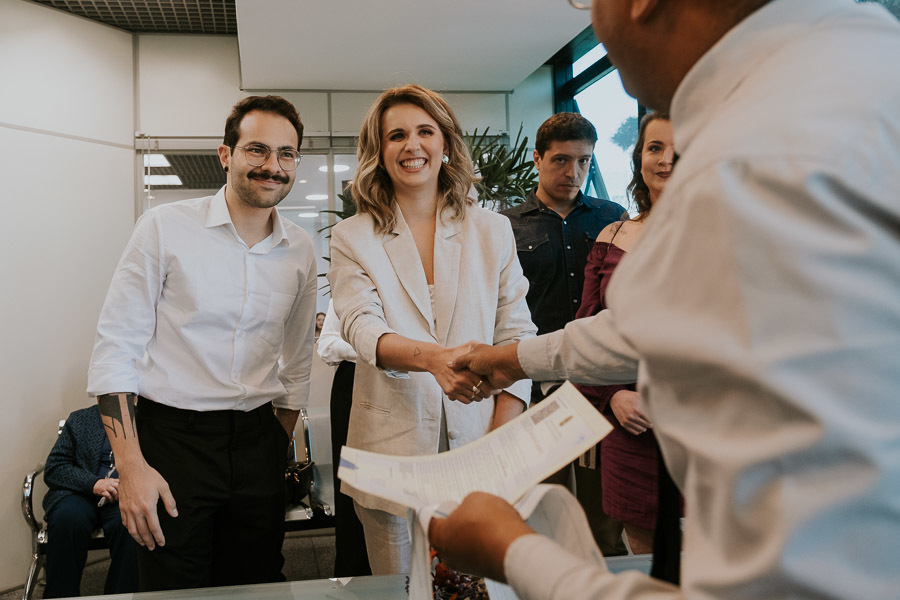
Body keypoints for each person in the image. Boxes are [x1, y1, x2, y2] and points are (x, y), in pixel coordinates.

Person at [430, 0, 900, 598]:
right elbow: (653, 327)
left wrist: (511, 551)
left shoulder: (766, 156)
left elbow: (784, 586)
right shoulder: (854, 77)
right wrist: (510, 360)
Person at [87, 95, 318, 591]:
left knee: (257, 584)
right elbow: (115, 350)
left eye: (286, 153)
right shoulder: (165, 228)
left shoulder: (300, 247)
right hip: (174, 442)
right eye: (257, 149)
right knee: (174, 586)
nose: (273, 166)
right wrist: (131, 467)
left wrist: (274, 444)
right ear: (225, 155)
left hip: (258, 440)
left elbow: (298, 362)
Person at [327, 84, 536, 574]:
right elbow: (361, 326)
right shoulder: (351, 236)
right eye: (396, 135)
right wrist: (436, 361)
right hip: (389, 450)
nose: (412, 145)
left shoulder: (492, 230)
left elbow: (517, 333)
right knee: (402, 587)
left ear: (446, 144)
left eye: (425, 131)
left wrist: (501, 437)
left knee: (480, 584)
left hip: (482, 440)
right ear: (379, 152)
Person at [501, 111, 628, 556]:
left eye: (584, 161)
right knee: (541, 509)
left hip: (602, 384)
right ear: (537, 159)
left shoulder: (613, 220)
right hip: (537, 385)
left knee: (603, 517)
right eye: (560, 160)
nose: (573, 172)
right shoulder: (507, 226)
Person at [574, 112, 676, 555]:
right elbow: (585, 330)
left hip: (703, 423)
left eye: (680, 149)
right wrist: (613, 394)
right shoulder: (612, 235)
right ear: (639, 159)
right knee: (643, 551)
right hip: (629, 424)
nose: (666, 159)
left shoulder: (725, 234)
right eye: (655, 148)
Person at [42, 405, 138, 598]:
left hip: (126, 495)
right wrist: (93, 483)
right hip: (80, 492)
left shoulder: (149, 420)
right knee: (67, 519)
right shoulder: (81, 419)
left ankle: (122, 596)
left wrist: (131, 485)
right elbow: (55, 467)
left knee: (132, 522)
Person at [316, 300, 372, 577]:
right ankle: (354, 576)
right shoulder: (347, 286)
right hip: (353, 385)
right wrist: (380, 350)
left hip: (411, 385)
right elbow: (326, 345)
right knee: (351, 492)